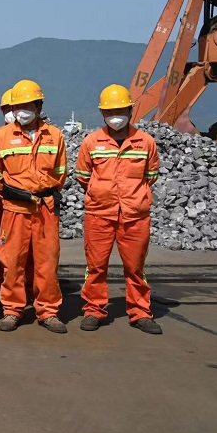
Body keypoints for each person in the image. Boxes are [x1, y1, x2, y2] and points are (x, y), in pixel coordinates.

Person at [76, 85, 162, 335]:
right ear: (103, 113)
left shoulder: (145, 142)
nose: (116, 116)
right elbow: (83, 176)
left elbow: (151, 175)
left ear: (130, 111)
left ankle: (140, 312)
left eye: (120, 111)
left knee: (135, 267)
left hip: (135, 215)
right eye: (110, 111)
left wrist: (131, 197)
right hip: (99, 214)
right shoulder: (92, 142)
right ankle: (94, 310)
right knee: (96, 266)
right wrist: (102, 193)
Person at [0, 79, 67, 334]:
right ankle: (12, 310)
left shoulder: (55, 135)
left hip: (45, 208)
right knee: (13, 261)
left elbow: (60, 172)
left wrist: (44, 192)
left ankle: (48, 311)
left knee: (47, 261)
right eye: (18, 106)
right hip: (15, 208)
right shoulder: (1, 136)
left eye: (27, 106)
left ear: (38, 106)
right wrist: (12, 193)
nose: (22, 111)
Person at [0, 88, 34, 308]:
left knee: (29, 249)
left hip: (26, 204)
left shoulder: (36, 137)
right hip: (0, 202)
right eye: (8, 109)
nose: (12, 113)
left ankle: (29, 288)